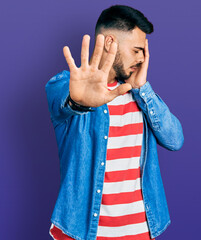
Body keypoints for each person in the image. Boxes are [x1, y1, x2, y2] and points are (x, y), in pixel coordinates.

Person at [45, 4, 184, 240]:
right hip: (83, 232)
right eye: (137, 50)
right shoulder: (68, 86)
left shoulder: (140, 95)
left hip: (140, 231)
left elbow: (175, 140)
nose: (142, 58)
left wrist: (143, 90)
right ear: (110, 43)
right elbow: (63, 102)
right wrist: (79, 102)